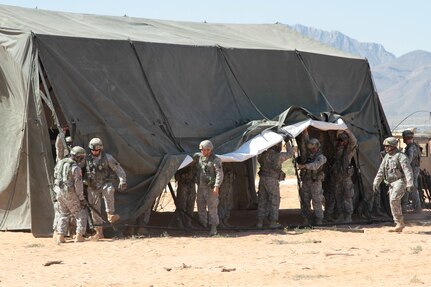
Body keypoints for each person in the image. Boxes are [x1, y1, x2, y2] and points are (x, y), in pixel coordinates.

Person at [85, 137, 127, 240]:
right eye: (92, 150)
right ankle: (99, 232)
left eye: (96, 150)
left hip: (105, 183)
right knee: (94, 209)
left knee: (109, 190)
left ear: (100, 149)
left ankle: (110, 214)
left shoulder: (107, 158)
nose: (94, 152)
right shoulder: (87, 159)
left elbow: (118, 169)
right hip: (93, 186)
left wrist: (122, 180)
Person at [373, 137, 414, 232]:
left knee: (394, 199)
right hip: (391, 183)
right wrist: (376, 182)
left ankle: (399, 223)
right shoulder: (387, 157)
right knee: (393, 202)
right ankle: (399, 223)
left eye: (387, 146)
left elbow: (408, 170)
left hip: (400, 181)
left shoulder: (401, 156)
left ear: (393, 146)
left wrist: (410, 183)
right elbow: (381, 171)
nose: (386, 148)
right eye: (385, 146)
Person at [53, 146, 88, 243]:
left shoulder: (60, 162)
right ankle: (79, 236)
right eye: (81, 157)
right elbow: (78, 184)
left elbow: (55, 176)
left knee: (63, 214)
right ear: (78, 157)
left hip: (59, 192)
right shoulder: (75, 168)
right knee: (81, 213)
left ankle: (60, 236)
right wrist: (81, 198)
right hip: (70, 192)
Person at [256, 141, 293, 229]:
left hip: (262, 179)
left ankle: (260, 222)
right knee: (274, 200)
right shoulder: (278, 156)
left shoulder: (262, 155)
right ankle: (273, 221)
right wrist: (287, 143)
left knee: (262, 200)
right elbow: (290, 154)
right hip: (272, 180)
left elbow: (259, 158)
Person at [194, 140, 223, 236]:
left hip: (211, 188)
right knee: (200, 207)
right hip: (201, 188)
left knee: (212, 208)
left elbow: (219, 174)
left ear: (209, 150)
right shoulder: (200, 158)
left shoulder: (216, 160)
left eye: (204, 150)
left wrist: (216, 186)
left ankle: (213, 227)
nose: (202, 151)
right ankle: (203, 225)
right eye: (201, 150)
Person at [297, 132, 327, 225]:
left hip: (315, 182)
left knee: (317, 201)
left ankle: (319, 219)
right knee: (305, 201)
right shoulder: (308, 156)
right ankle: (306, 219)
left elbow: (315, 166)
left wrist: (304, 166)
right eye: (310, 149)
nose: (312, 150)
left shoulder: (321, 157)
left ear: (318, 147)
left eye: (314, 148)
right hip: (306, 181)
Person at [328, 130, 357, 223]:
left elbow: (354, 141)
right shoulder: (337, 149)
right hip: (337, 177)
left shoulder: (349, 149)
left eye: (343, 140)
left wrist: (348, 132)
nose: (341, 142)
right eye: (340, 140)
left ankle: (348, 216)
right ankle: (341, 215)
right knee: (338, 196)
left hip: (346, 178)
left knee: (347, 196)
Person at [401, 130, 422, 213]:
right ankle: (405, 207)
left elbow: (409, 160)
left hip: (412, 170)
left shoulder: (411, 147)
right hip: (413, 169)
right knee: (408, 188)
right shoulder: (415, 146)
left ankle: (417, 208)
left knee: (411, 188)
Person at [174, 162, 197, 228]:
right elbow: (177, 177)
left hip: (191, 186)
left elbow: (196, 177)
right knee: (182, 205)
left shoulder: (194, 166)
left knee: (191, 205)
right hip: (183, 186)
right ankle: (180, 222)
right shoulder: (181, 166)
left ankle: (188, 222)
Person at [218, 163, 236, 227]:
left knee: (228, 203)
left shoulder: (231, 165)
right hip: (223, 186)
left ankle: (225, 220)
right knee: (222, 203)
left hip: (229, 186)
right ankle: (220, 221)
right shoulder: (221, 164)